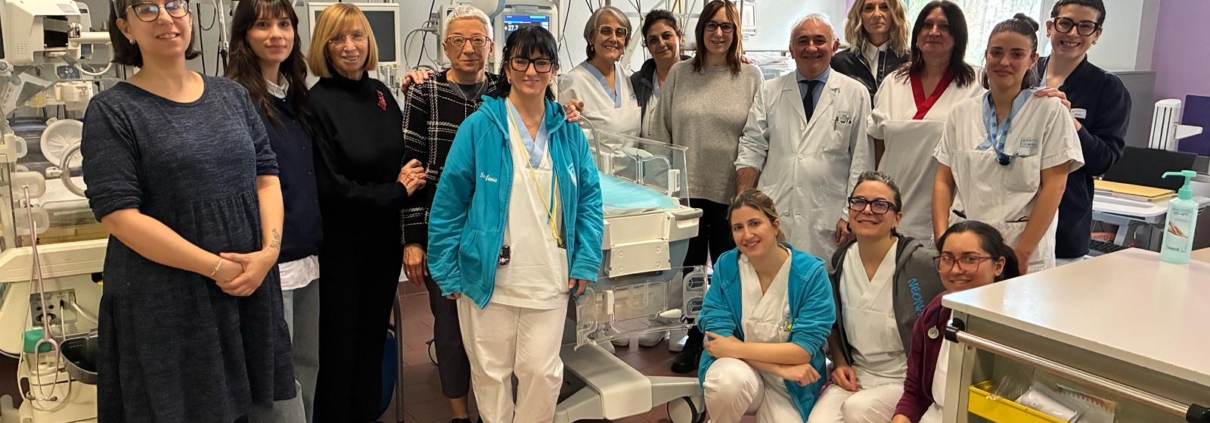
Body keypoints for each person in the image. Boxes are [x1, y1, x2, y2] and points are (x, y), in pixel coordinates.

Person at [83, 0, 299, 420]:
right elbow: (119, 215)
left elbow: (266, 176)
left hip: (247, 284)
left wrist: (268, 254)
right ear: (125, 28)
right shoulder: (113, 110)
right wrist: (215, 268)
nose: (166, 18)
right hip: (168, 299)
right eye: (147, 9)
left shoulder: (232, 95)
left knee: (253, 407)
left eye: (174, 5)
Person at [427, 26, 604, 423]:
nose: (530, 71)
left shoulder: (569, 132)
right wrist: (446, 269)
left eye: (541, 62)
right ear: (506, 67)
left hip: (548, 276)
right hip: (487, 277)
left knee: (542, 373)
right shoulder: (480, 127)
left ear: (554, 69)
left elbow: (590, 201)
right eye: (521, 61)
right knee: (490, 373)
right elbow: (449, 202)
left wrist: (585, 258)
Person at [305, 4, 427, 422]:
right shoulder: (316, 104)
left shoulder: (380, 94)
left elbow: (401, 150)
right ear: (324, 46)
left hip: (383, 242)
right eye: (337, 38)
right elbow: (331, 188)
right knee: (340, 347)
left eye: (357, 35)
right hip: (341, 248)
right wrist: (396, 190)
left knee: (373, 340)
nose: (349, 46)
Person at [651, 0, 764, 374]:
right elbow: (660, 132)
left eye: (726, 27)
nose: (718, 33)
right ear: (700, 31)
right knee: (691, 272)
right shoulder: (680, 74)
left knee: (730, 271)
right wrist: (665, 188)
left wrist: (745, 192)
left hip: (731, 195)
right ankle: (695, 338)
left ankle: (725, 339)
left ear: (736, 33)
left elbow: (756, 135)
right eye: (712, 26)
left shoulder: (750, 77)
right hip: (686, 194)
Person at [400, 6, 500, 422]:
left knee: (496, 326)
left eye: (477, 40)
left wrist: (567, 109)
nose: (468, 49)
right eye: (458, 40)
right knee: (450, 325)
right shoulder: (424, 93)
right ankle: (460, 412)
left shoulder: (506, 90)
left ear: (491, 46)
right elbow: (411, 168)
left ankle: (495, 408)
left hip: (497, 230)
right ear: (445, 47)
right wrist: (413, 240)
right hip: (444, 231)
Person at [931, 14, 1084, 275]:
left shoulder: (1049, 112)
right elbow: (943, 181)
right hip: (964, 249)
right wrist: (943, 240)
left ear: (1032, 60)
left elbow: (1055, 187)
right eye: (996, 52)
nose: (1004, 62)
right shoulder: (961, 113)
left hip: (1023, 249)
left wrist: (1022, 253)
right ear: (986, 55)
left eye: (1016, 54)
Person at [226, 0, 320, 420]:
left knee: (307, 366)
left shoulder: (296, 97)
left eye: (284, 24)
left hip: (307, 254)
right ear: (244, 34)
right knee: (277, 380)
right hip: (267, 261)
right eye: (263, 25)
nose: (276, 34)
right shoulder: (234, 100)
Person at [807, 171, 945, 423]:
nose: (867, 210)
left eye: (880, 204)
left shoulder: (922, 264)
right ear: (849, 211)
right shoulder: (840, 262)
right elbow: (832, 322)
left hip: (905, 380)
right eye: (859, 202)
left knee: (859, 409)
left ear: (897, 218)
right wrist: (839, 362)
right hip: (858, 374)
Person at [736, 12, 873, 262]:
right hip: (774, 211)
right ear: (791, 49)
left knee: (821, 281)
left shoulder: (855, 93)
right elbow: (752, 147)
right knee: (773, 280)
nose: (811, 48)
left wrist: (850, 213)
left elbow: (861, 160)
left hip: (828, 217)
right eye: (802, 41)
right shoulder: (769, 91)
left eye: (819, 40)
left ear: (834, 47)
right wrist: (743, 202)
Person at [697, 189, 836, 423]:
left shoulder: (810, 274)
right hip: (743, 369)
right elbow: (716, 338)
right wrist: (780, 367)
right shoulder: (728, 266)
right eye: (738, 227)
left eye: (754, 223)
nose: (747, 234)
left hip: (790, 385)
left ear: (775, 225)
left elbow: (802, 350)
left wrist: (735, 348)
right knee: (727, 383)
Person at [869, 1, 982, 242]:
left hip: (942, 214)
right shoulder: (893, 82)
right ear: (917, 35)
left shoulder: (978, 82)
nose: (934, 32)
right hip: (890, 207)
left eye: (944, 26)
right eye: (927, 25)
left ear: (958, 35)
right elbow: (878, 147)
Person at [891, 221, 1021, 423]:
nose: (956, 269)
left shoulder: (1016, 325)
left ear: (998, 265)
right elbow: (915, 390)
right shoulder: (936, 311)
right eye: (947, 259)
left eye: (970, 259)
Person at [1035, 0, 1131, 265]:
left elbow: (1103, 160)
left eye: (1085, 26)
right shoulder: (1023, 73)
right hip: (1005, 219)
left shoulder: (1108, 88)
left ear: (1097, 34)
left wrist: (1069, 121)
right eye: (1065, 23)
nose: (1073, 33)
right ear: (1050, 26)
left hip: (1064, 229)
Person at [559, 6, 642, 142]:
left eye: (620, 33)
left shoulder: (624, 75)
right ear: (591, 37)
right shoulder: (572, 82)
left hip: (632, 156)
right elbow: (564, 136)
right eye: (605, 31)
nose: (613, 38)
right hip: (593, 156)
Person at [832, 0, 911, 101]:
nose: (877, 14)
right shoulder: (840, 62)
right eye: (869, 8)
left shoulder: (911, 59)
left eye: (884, 7)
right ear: (859, 15)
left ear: (895, 13)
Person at [632, 9, 689, 139]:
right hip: (648, 152)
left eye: (666, 36)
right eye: (653, 40)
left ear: (679, 37)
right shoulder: (637, 83)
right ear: (647, 46)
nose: (661, 44)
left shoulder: (699, 78)